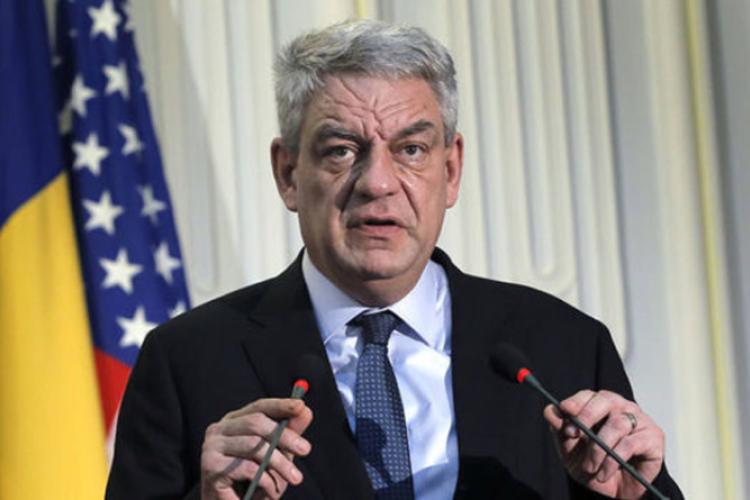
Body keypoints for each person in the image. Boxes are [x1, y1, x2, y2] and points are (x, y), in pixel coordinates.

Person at [106, 20, 683, 500]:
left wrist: (632, 496)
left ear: (450, 170)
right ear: (288, 174)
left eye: (410, 149)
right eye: (341, 150)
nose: (377, 182)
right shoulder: (187, 361)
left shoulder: (562, 346)